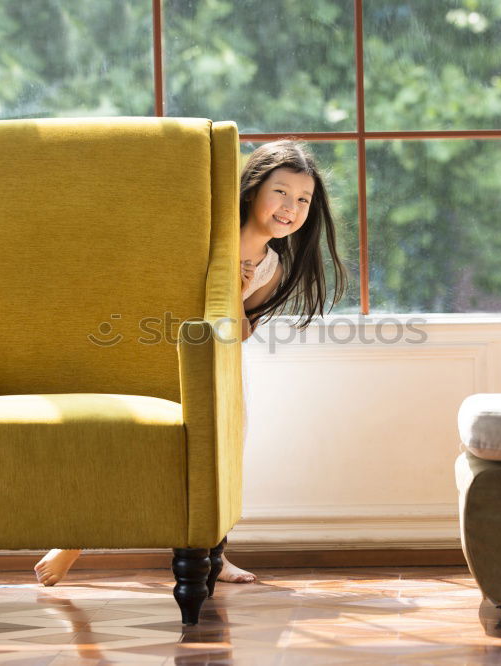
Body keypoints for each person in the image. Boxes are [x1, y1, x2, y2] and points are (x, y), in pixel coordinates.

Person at [34, 139, 347, 587]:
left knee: (217, 457)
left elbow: (238, 333)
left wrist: (235, 296)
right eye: (281, 192)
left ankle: (213, 553)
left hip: (216, 369)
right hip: (162, 352)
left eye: (302, 199)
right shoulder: (209, 235)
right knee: (134, 449)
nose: (290, 207)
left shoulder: (271, 265)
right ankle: (76, 538)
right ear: (253, 190)